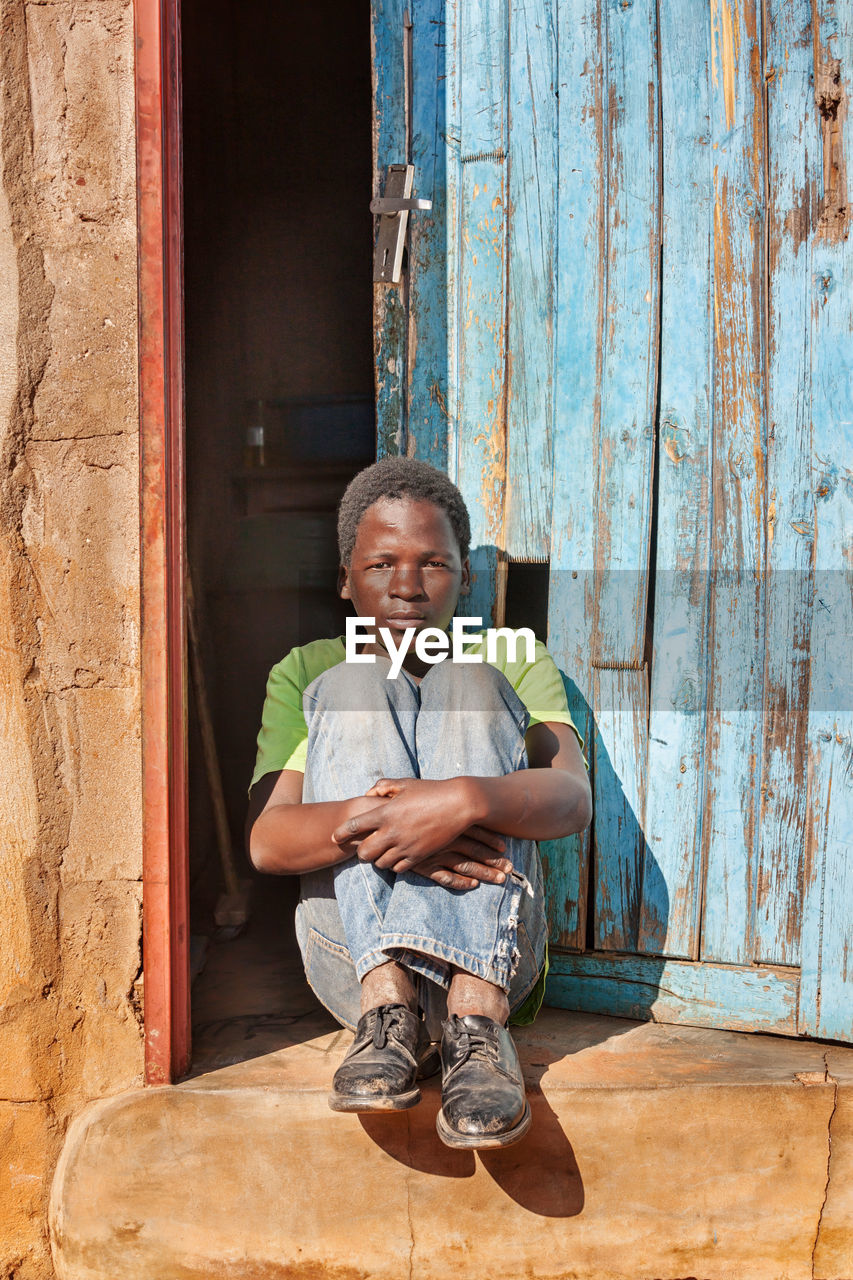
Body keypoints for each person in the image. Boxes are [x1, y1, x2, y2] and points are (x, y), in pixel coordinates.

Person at [247, 456, 591, 1149]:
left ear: (464, 576)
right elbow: (270, 840)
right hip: (358, 962)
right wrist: (402, 822)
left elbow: (570, 799)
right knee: (355, 685)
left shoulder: (509, 656)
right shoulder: (309, 670)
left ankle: (474, 1022)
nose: (406, 587)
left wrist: (462, 800)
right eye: (379, 565)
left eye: (432, 563)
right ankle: (388, 1011)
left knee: (470, 679)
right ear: (344, 579)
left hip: (492, 963)